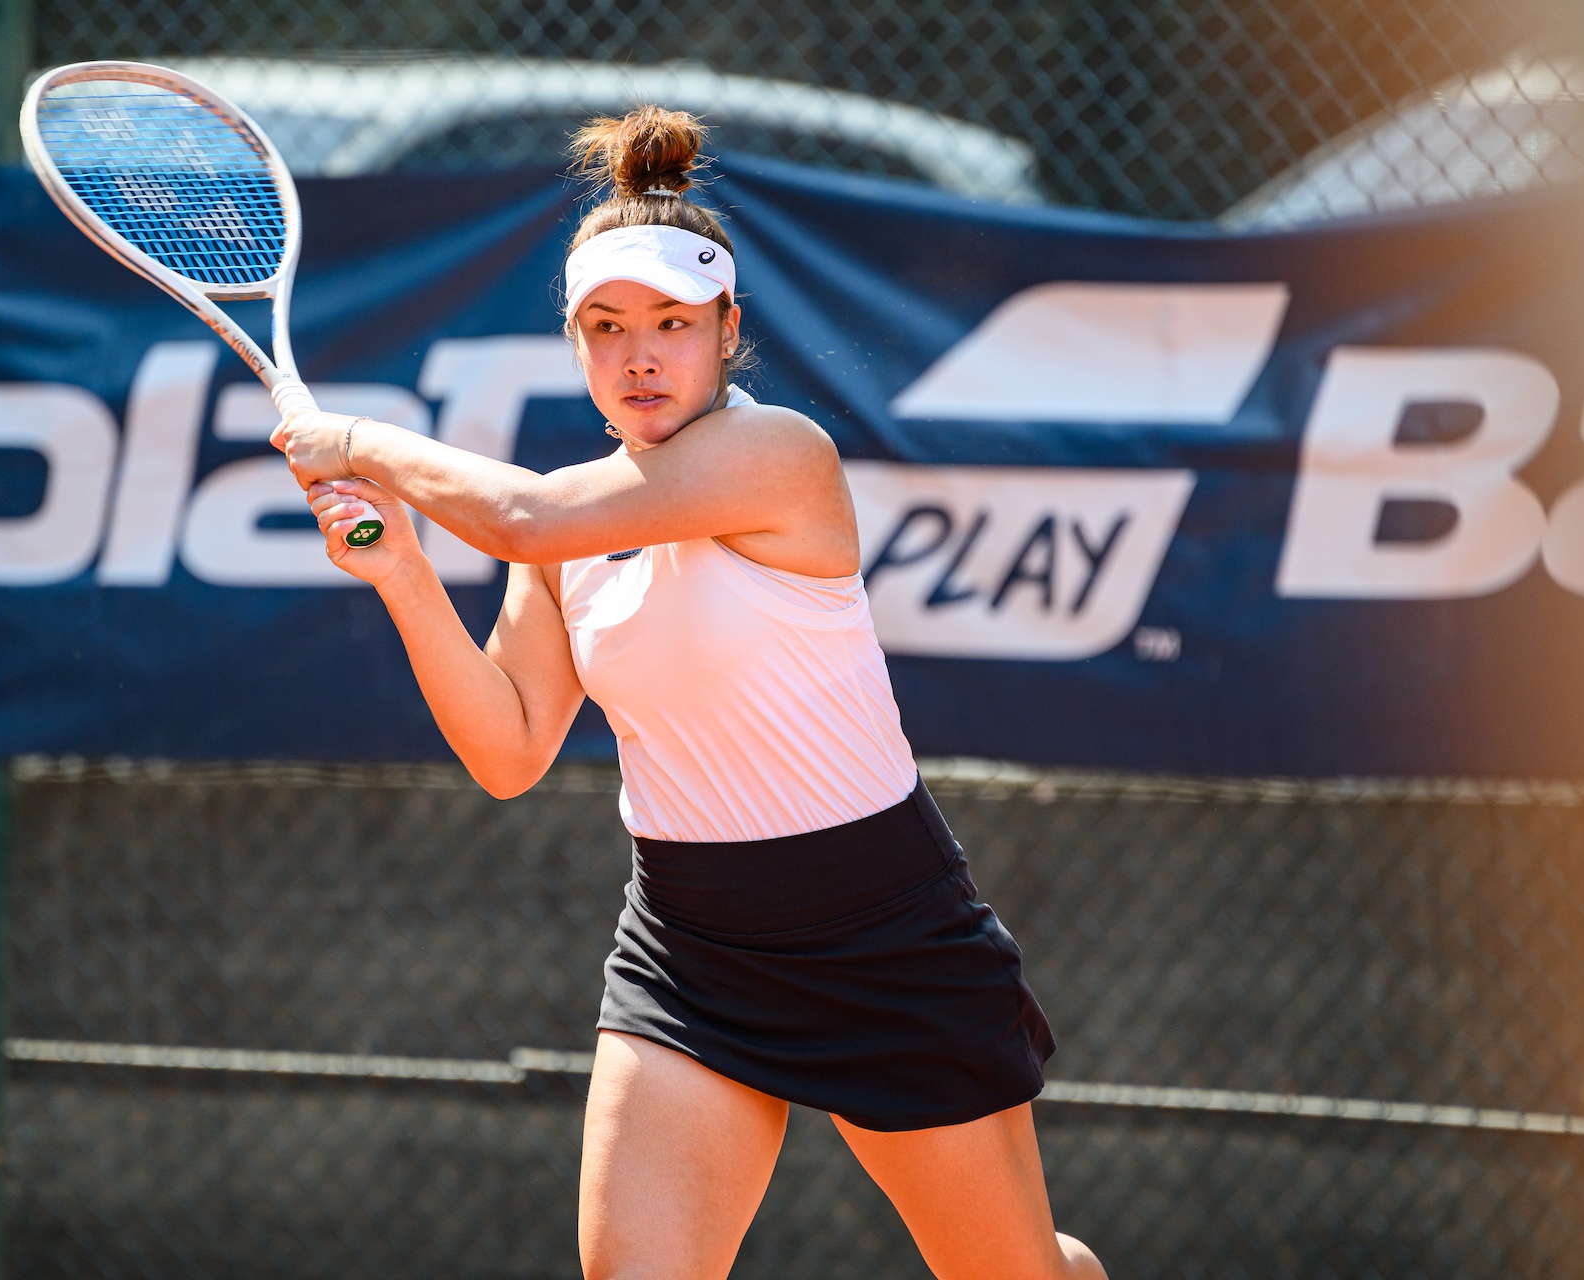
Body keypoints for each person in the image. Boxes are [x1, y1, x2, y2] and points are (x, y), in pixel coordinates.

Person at [273, 105, 1104, 1280]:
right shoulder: (568, 530)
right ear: (575, 345)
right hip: (690, 945)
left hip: (883, 931)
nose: (641, 355)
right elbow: (510, 748)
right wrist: (404, 573)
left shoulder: (781, 457)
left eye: (671, 323)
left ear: (728, 331)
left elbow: (519, 513)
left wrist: (355, 439)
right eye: (607, 328)